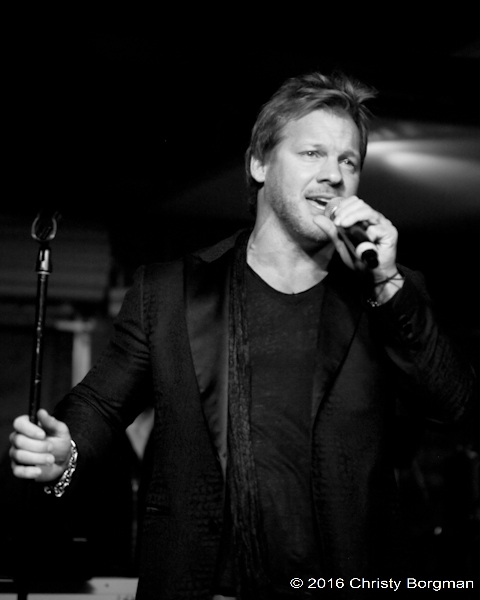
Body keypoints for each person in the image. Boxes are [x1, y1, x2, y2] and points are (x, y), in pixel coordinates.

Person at [9, 71, 476, 599]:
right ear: (259, 164)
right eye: (312, 153)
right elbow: (99, 404)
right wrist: (64, 451)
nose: (334, 175)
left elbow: (455, 406)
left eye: (349, 161)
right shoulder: (170, 292)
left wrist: (386, 283)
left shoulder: (387, 292)